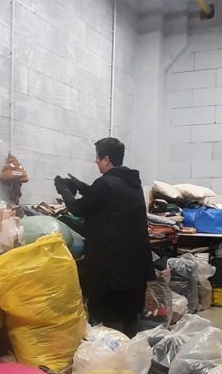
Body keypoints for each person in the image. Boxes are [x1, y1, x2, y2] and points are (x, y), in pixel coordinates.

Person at [54, 137, 153, 337]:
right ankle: (130, 361)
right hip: (134, 266)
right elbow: (103, 196)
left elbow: (78, 209)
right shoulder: (131, 183)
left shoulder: (105, 184)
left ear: (106, 159)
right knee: (130, 319)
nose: (96, 162)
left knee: (111, 325)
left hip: (112, 271)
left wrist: (64, 190)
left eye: (98, 158)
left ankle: (113, 362)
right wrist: (80, 185)